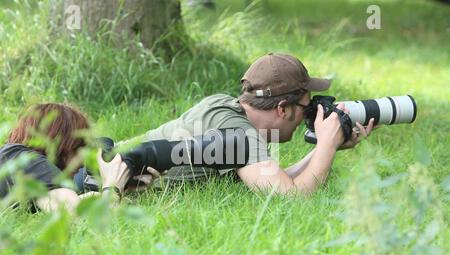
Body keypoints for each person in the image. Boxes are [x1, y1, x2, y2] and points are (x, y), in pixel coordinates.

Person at [139, 53, 378, 195]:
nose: (308, 116)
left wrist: (328, 146)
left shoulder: (227, 109)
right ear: (282, 108)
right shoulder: (239, 133)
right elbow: (290, 197)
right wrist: (326, 143)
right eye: (306, 108)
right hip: (109, 177)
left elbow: (280, 180)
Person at [0, 103, 157, 213]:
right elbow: (77, 217)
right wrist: (112, 187)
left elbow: (65, 206)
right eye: (79, 147)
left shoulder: (20, 170)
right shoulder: (20, 156)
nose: (82, 161)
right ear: (60, 143)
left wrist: (124, 188)